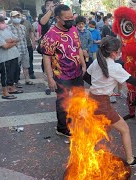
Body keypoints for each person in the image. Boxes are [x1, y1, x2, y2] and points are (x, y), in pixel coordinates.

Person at [85, 36, 136, 167]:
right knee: (124, 129)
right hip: (102, 105)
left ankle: (90, 154)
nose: (120, 53)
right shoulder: (115, 67)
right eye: (119, 51)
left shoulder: (97, 61)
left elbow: (86, 77)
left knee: (103, 129)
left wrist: (101, 87)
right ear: (114, 53)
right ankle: (131, 160)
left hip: (91, 101)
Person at [40, 4, 87, 137]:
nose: (70, 20)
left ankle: (76, 119)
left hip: (77, 71)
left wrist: (83, 65)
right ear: (57, 18)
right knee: (63, 101)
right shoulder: (51, 34)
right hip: (61, 74)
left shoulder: (73, 29)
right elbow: (46, 57)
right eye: (67, 18)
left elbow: (78, 48)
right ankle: (62, 128)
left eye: (71, 17)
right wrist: (50, 78)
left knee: (79, 97)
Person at [0, 14, 21, 99]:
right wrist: (12, 42)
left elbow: (16, 38)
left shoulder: (6, 29)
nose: (4, 23)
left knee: (12, 73)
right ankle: (5, 92)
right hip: (4, 58)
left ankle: (11, 88)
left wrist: (9, 41)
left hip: (14, 55)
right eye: (1, 21)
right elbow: (5, 46)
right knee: (5, 75)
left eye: (4, 21)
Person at [8, 11, 34, 86]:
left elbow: (25, 38)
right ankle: (15, 81)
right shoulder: (8, 27)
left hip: (24, 49)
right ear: (11, 18)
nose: (17, 18)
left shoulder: (23, 27)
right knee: (15, 67)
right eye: (14, 17)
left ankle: (27, 80)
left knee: (26, 66)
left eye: (18, 17)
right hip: (15, 50)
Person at [38, 0, 58, 95]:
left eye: (52, 4)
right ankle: (48, 83)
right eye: (48, 5)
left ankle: (58, 81)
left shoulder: (59, 15)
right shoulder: (42, 16)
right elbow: (42, 22)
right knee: (46, 65)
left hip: (59, 46)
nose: (50, 6)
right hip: (47, 46)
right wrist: (50, 11)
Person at [13, 7, 37, 79]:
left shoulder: (27, 22)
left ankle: (31, 73)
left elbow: (31, 32)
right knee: (17, 62)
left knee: (29, 60)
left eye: (18, 14)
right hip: (15, 46)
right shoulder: (10, 23)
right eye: (15, 14)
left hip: (27, 45)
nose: (16, 16)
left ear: (21, 14)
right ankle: (17, 76)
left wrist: (33, 42)